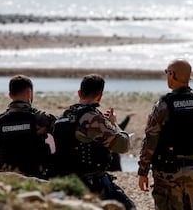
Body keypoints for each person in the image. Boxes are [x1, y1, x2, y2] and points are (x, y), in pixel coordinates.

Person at [138, 59, 193, 210]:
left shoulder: (164, 104)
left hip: (167, 172)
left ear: (172, 75)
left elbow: (151, 140)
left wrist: (143, 171)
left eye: (167, 73)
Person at [53, 74, 136, 210]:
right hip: (93, 183)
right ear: (100, 96)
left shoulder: (64, 117)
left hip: (68, 182)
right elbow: (123, 145)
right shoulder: (93, 119)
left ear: (79, 93)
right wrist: (114, 124)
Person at [0, 74, 56, 179]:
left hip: (8, 181)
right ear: (29, 93)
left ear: (10, 95)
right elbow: (64, 133)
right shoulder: (43, 119)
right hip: (36, 180)